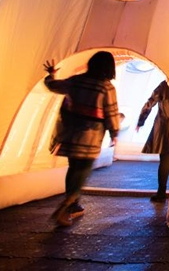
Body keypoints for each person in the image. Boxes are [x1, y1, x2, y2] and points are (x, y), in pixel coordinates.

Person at [43, 51, 120, 227]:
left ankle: (73, 204)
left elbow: (53, 86)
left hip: (71, 133)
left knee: (73, 169)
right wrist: (114, 132)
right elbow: (111, 111)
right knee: (83, 172)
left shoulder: (76, 81)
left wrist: (51, 74)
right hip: (91, 137)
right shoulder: (106, 87)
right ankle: (67, 204)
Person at [136, 80, 169, 203]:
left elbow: (150, 102)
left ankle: (161, 193)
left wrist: (140, 121)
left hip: (165, 128)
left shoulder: (165, 85)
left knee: (164, 160)